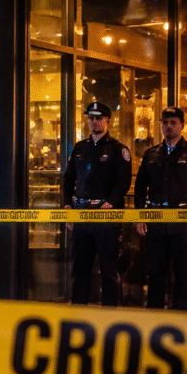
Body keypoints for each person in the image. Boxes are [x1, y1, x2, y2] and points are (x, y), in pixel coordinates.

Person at [134, 106, 187, 310]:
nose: (168, 126)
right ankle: (154, 318)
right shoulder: (151, 154)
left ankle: (181, 319)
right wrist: (140, 216)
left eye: (173, 123)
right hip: (156, 222)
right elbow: (140, 188)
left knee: (183, 274)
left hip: (183, 222)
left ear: (182, 126)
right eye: (164, 122)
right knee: (155, 274)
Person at [62, 101, 132, 306]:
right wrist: (67, 206)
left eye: (98, 118)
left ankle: (108, 315)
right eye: (90, 118)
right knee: (80, 268)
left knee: (108, 269)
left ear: (107, 120)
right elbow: (68, 179)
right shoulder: (80, 147)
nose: (94, 122)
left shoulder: (118, 149)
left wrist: (110, 202)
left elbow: (123, 181)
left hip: (105, 215)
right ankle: (79, 310)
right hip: (81, 213)